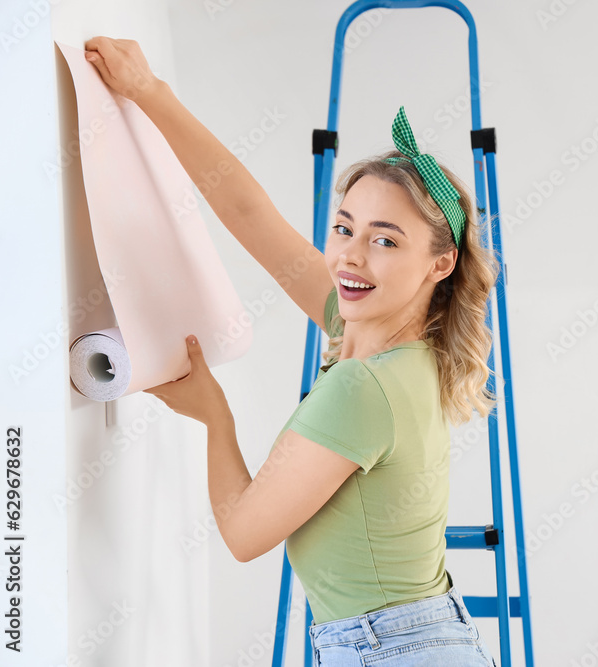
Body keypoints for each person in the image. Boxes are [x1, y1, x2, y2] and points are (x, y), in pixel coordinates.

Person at [84, 36, 500, 666]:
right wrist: (149, 92)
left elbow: (245, 534)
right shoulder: (389, 341)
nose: (351, 256)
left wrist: (214, 417)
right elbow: (251, 213)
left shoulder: (365, 388)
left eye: (386, 241)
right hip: (418, 641)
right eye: (344, 228)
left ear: (440, 263)